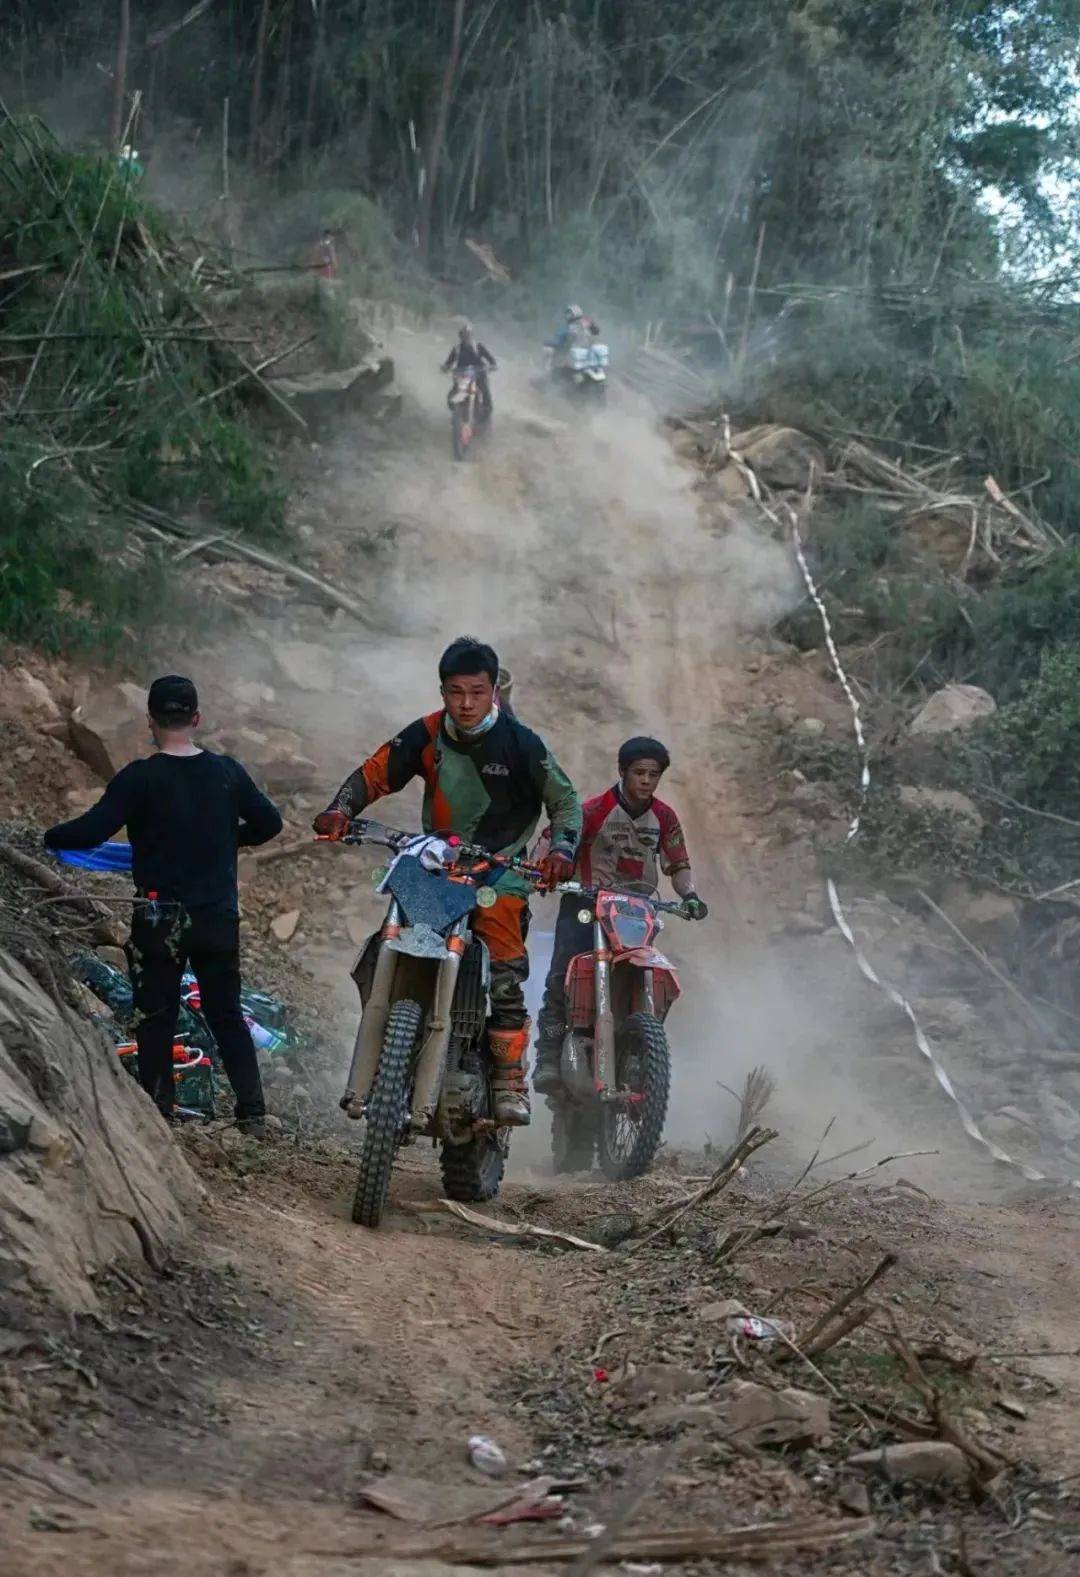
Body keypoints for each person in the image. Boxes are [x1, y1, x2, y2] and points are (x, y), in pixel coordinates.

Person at [313, 637, 581, 1125]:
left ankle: (507, 1077)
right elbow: (374, 774)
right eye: (455, 692)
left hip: (501, 870)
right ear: (442, 691)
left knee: (505, 968)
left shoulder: (521, 743)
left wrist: (562, 849)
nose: (466, 704)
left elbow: (564, 802)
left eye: (477, 692)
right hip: (438, 862)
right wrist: (340, 808)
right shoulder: (427, 734)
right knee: (389, 930)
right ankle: (390, 1037)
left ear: (494, 690)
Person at [44, 676, 282, 1134]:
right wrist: (231, 839)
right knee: (226, 1012)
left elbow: (91, 830)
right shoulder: (227, 773)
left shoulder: (139, 778)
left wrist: (49, 837)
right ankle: (252, 1112)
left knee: (156, 1013)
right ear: (196, 719)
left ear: (150, 721)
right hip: (216, 916)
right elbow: (270, 822)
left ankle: (160, 1112)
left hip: (159, 917)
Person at [533, 735, 707, 1095]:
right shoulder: (593, 810)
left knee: (646, 970)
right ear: (623, 772)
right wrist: (543, 867)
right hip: (585, 904)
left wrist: (689, 894)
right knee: (560, 973)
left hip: (636, 911)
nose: (646, 780)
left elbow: (678, 865)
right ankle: (547, 1056)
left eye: (653, 774)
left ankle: (641, 1045)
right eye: (639, 772)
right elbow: (554, 837)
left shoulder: (664, 817)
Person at [441, 321, 497, 414]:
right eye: (463, 335)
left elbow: (491, 359)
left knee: (485, 391)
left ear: (471, 335)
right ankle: (455, 413)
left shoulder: (478, 346)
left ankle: (487, 412)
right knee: (451, 397)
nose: (466, 337)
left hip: (479, 375)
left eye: (468, 335)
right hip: (462, 377)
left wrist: (493, 366)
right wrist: (445, 367)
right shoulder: (457, 349)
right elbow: (448, 363)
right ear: (460, 336)